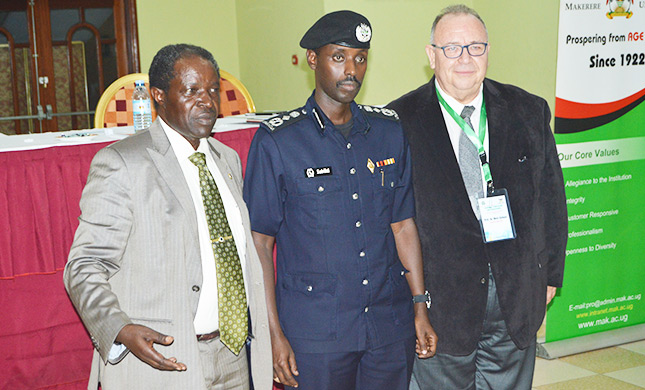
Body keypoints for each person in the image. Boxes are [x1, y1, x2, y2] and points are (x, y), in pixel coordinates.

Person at [243, 10, 437, 390]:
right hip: (316, 334)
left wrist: (420, 306)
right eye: (339, 57)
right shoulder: (279, 142)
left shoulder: (388, 131)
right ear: (313, 60)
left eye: (360, 58)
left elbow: (403, 225)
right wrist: (272, 333)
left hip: (387, 325)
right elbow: (259, 244)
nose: (351, 70)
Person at [64, 44, 271, 390]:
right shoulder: (122, 163)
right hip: (164, 360)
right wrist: (118, 328)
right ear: (158, 95)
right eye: (191, 91)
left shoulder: (228, 159)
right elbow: (84, 265)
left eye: (211, 90)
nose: (206, 102)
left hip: (234, 356)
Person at [386, 4, 567, 389]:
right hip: (441, 306)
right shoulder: (398, 122)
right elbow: (392, 221)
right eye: (452, 48)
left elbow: (551, 199)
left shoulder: (528, 110)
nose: (466, 58)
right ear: (431, 55)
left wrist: (551, 274)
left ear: (488, 51)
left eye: (476, 47)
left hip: (516, 297)